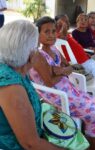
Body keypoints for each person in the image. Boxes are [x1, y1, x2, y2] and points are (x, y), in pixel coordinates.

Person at [29, 16, 95, 150]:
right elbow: (49, 82)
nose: (52, 35)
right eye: (46, 32)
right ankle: (93, 147)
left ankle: (87, 137)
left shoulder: (54, 49)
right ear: (37, 34)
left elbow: (69, 66)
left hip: (68, 89)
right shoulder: (38, 55)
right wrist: (62, 71)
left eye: (54, 31)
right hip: (56, 96)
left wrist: (60, 70)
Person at [0, 20, 63, 150]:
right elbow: (31, 144)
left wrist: (43, 103)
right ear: (30, 54)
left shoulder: (16, 69)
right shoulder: (11, 87)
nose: (38, 51)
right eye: (37, 47)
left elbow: (25, 99)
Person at [55, 14, 95, 79]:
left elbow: (74, 48)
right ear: (56, 24)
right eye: (63, 22)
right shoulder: (59, 36)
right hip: (80, 62)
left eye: (67, 21)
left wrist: (85, 54)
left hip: (84, 58)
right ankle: (94, 87)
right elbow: (62, 37)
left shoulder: (67, 35)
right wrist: (63, 29)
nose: (66, 23)